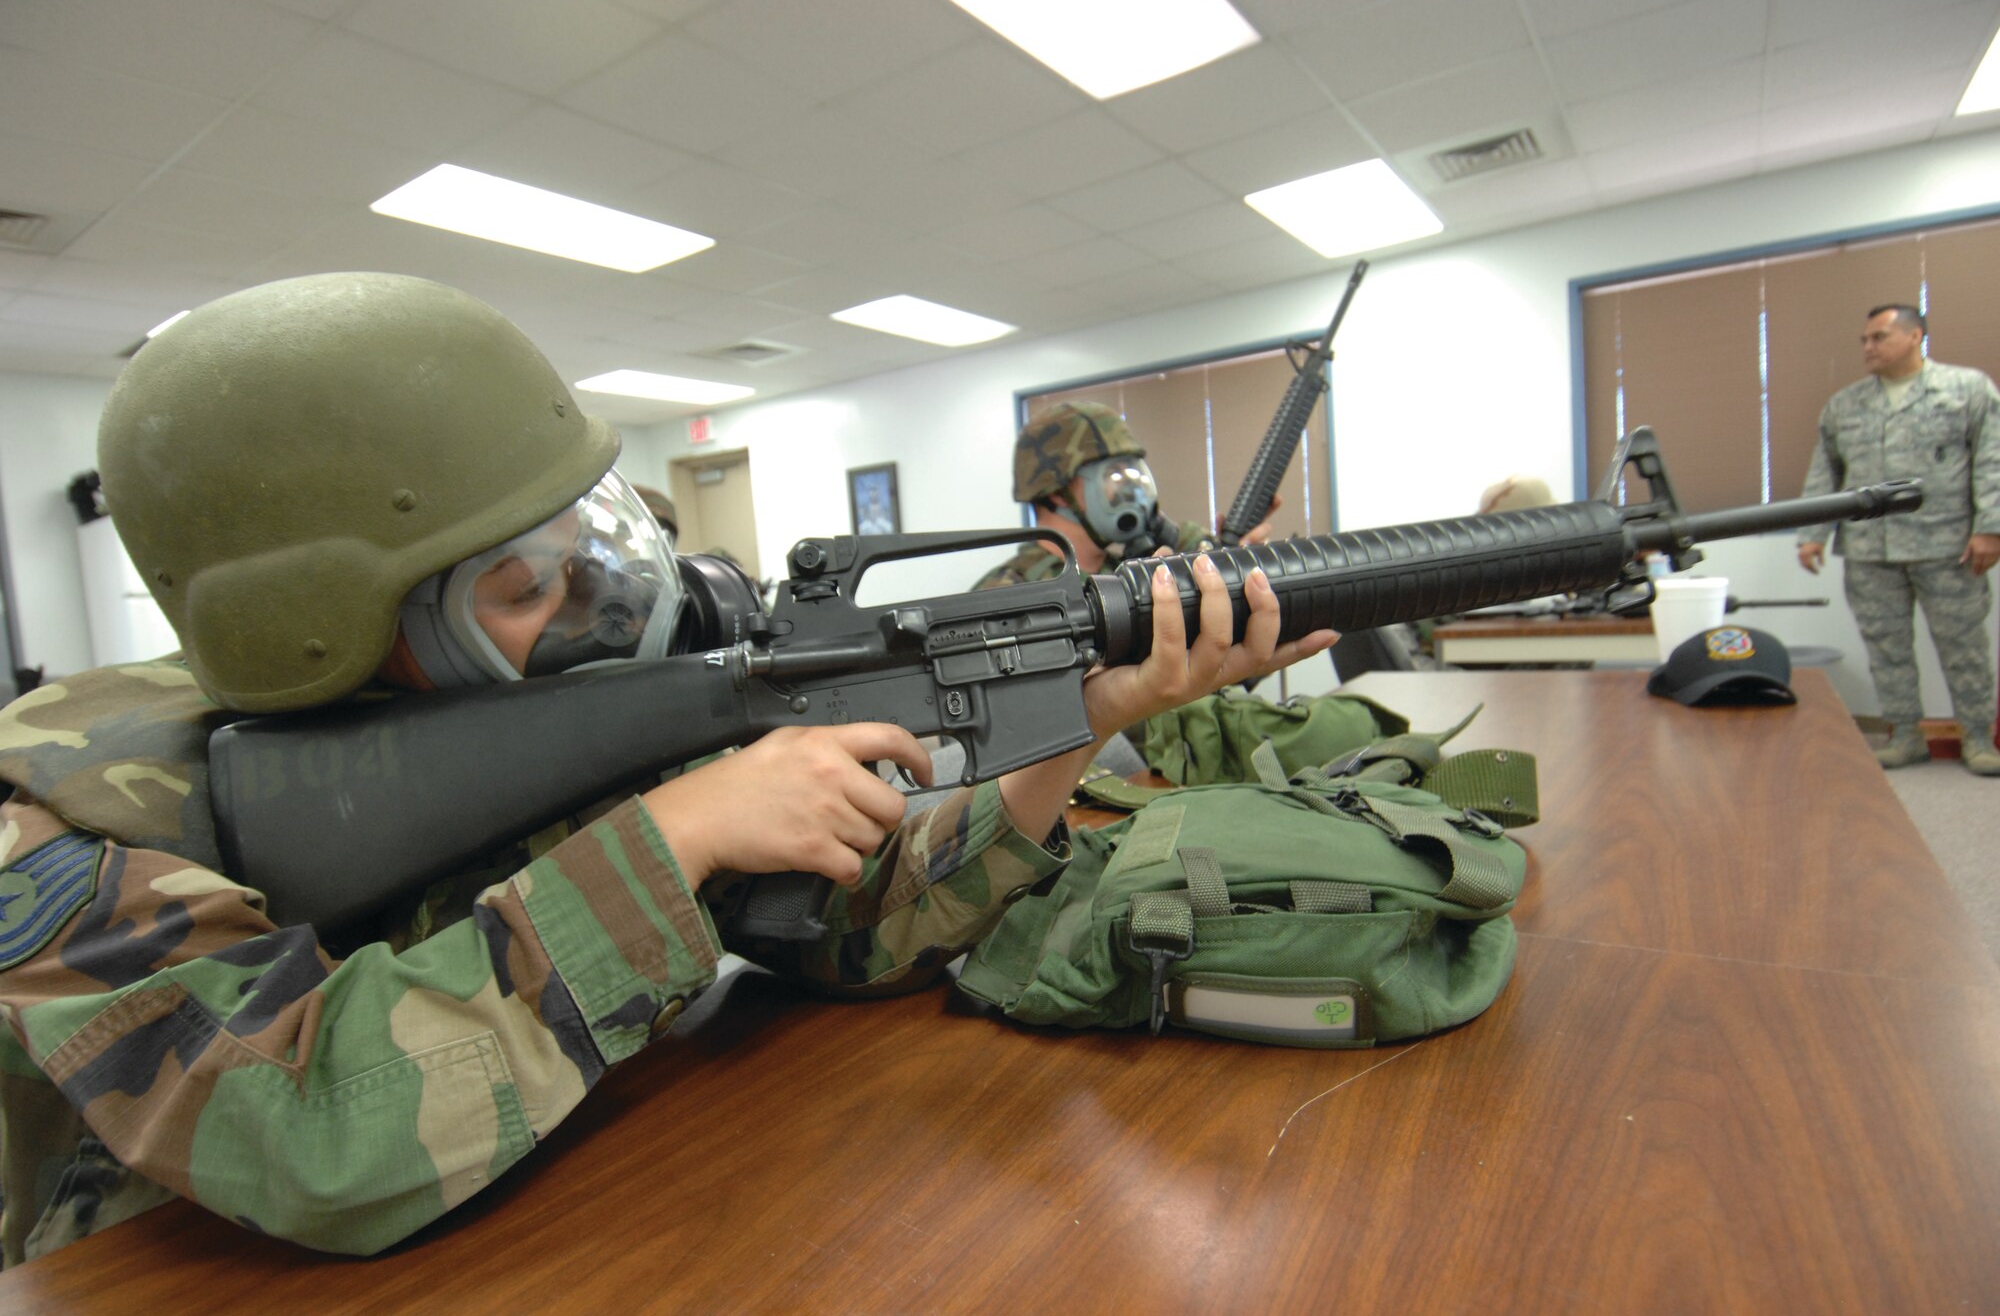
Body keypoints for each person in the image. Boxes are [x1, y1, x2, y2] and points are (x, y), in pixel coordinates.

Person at [0, 274, 1334, 1264]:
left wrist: (1085, 714)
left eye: (591, 542)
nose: (597, 604)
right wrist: (677, 837)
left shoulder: (534, 707)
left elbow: (862, 938)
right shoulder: (65, 827)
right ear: (327, 631)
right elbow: (305, 1137)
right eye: (523, 584)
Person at [1797, 304, 2000, 775]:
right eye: (1864, 340)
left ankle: (1978, 739)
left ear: (1915, 336)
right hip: (1870, 549)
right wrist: (1812, 535)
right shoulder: (1844, 405)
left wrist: (1991, 527)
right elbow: (1824, 472)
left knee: (1963, 647)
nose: (1868, 347)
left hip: (1947, 545)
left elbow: (1993, 461)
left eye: (1879, 337)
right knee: (1886, 649)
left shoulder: (1966, 390)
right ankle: (1905, 735)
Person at [974, 400, 1276, 590]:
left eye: (1133, 472)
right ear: (1057, 494)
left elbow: (1231, 669)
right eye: (1113, 476)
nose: (1131, 490)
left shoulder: (1126, 573)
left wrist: (1242, 573)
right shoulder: (1009, 594)